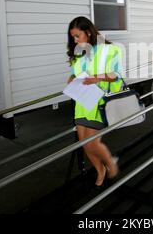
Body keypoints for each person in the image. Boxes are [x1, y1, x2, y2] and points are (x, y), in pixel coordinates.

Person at [67, 16, 121, 187]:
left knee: (93, 143)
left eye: (77, 36)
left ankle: (110, 162)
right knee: (85, 144)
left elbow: (116, 75)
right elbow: (75, 73)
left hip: (98, 102)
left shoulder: (109, 50)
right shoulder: (78, 52)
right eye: (73, 37)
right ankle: (100, 170)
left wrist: (95, 78)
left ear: (88, 33)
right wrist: (71, 78)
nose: (75, 40)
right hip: (81, 103)